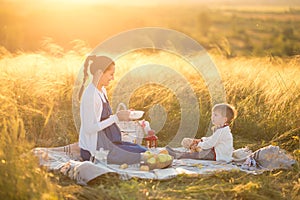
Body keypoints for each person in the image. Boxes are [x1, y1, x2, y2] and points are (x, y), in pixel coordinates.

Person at [78, 55, 147, 164]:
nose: (113, 78)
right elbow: (89, 128)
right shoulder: (91, 95)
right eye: (111, 74)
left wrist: (124, 115)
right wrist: (116, 117)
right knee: (141, 156)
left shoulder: (102, 90)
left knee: (142, 150)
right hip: (95, 150)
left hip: (109, 142)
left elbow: (104, 118)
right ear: (100, 73)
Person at [166, 103, 237, 162]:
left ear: (224, 119)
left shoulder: (222, 131)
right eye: (212, 115)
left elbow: (211, 143)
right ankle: (177, 153)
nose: (212, 117)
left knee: (198, 155)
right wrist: (202, 140)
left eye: (216, 115)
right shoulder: (220, 129)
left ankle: (177, 155)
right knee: (200, 151)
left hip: (220, 156)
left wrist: (199, 144)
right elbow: (212, 139)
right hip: (216, 152)